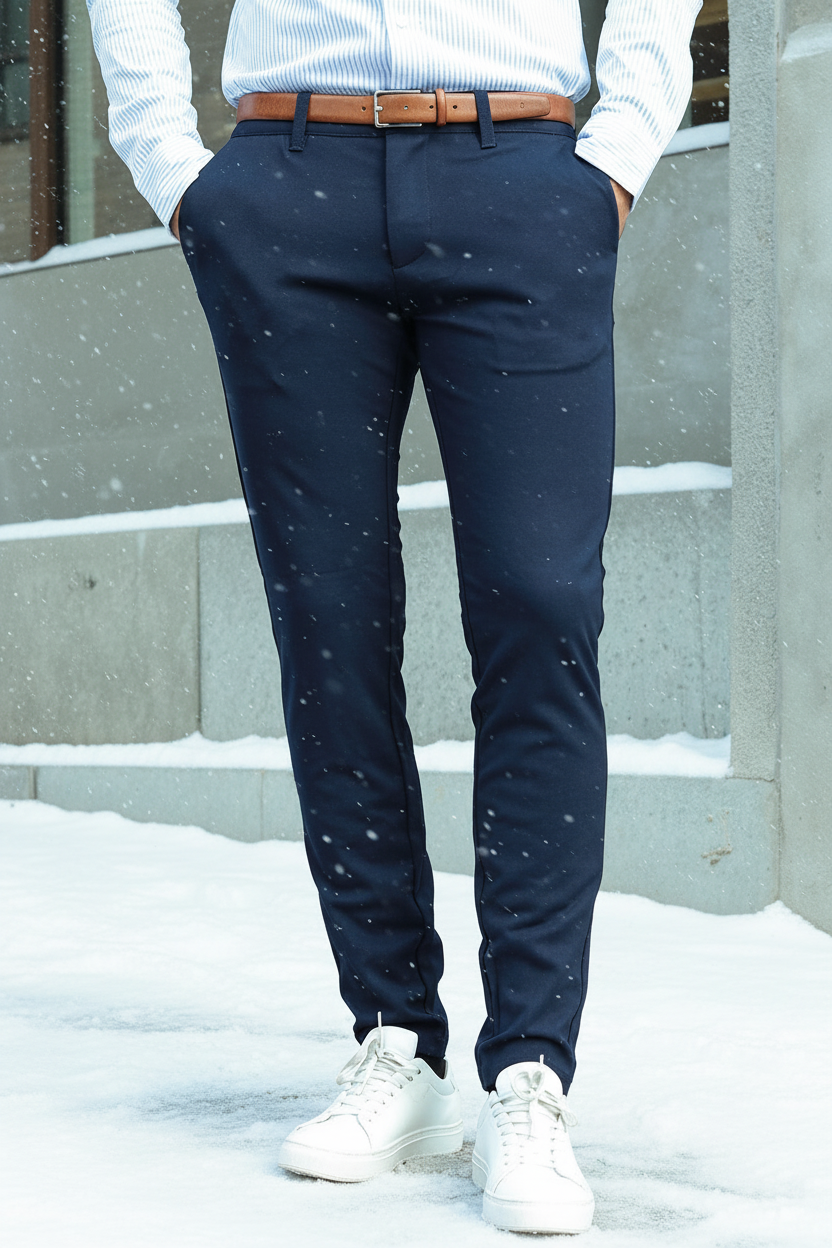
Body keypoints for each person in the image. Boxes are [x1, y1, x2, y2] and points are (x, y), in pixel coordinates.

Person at [87, 0, 701, 1233]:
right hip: (286, 180)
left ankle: (529, 1069)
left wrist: (622, 144)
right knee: (329, 619)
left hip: (521, 175)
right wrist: (167, 158)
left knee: (541, 605)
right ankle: (394, 1037)